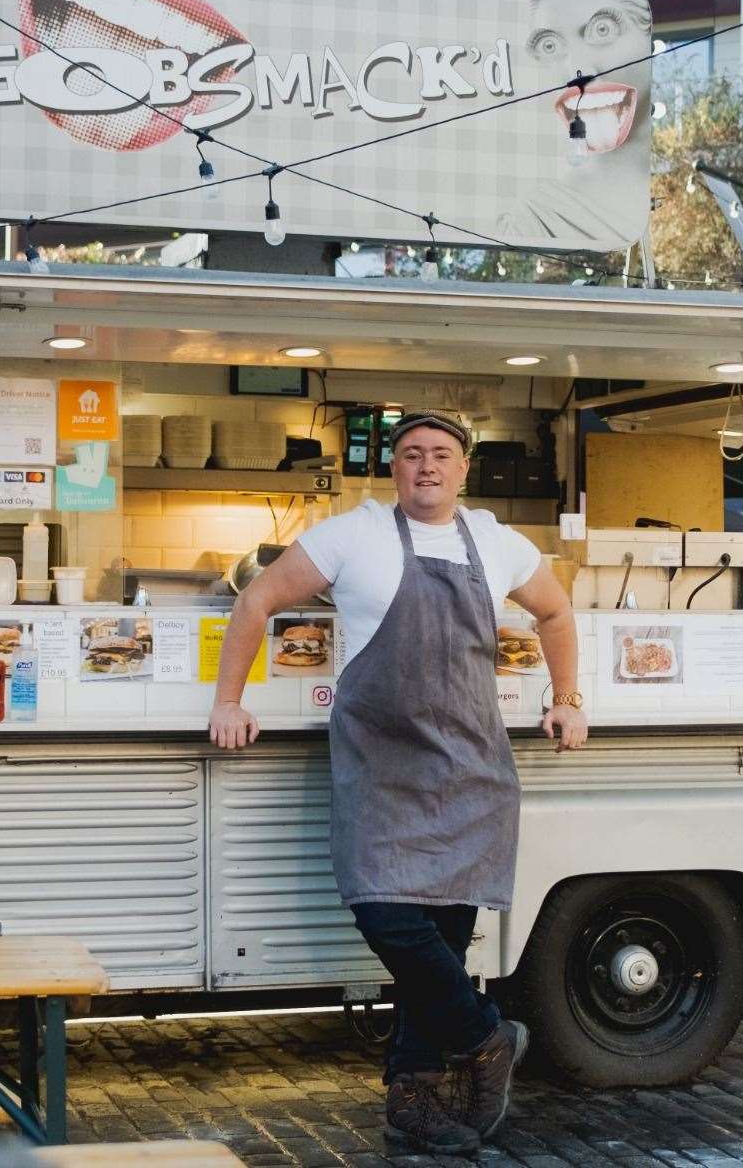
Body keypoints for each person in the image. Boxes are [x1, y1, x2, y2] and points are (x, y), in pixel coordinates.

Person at [208, 409, 587, 1156]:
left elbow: (556, 611)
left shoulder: (496, 541)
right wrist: (228, 699)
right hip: (380, 766)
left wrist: (567, 698)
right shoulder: (353, 535)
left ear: (463, 467)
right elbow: (256, 600)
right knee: (382, 909)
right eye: (412, 455)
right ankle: (487, 1038)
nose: (426, 467)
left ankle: (412, 1102)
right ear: (393, 469)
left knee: (441, 945)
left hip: (469, 766)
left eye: (441, 455)